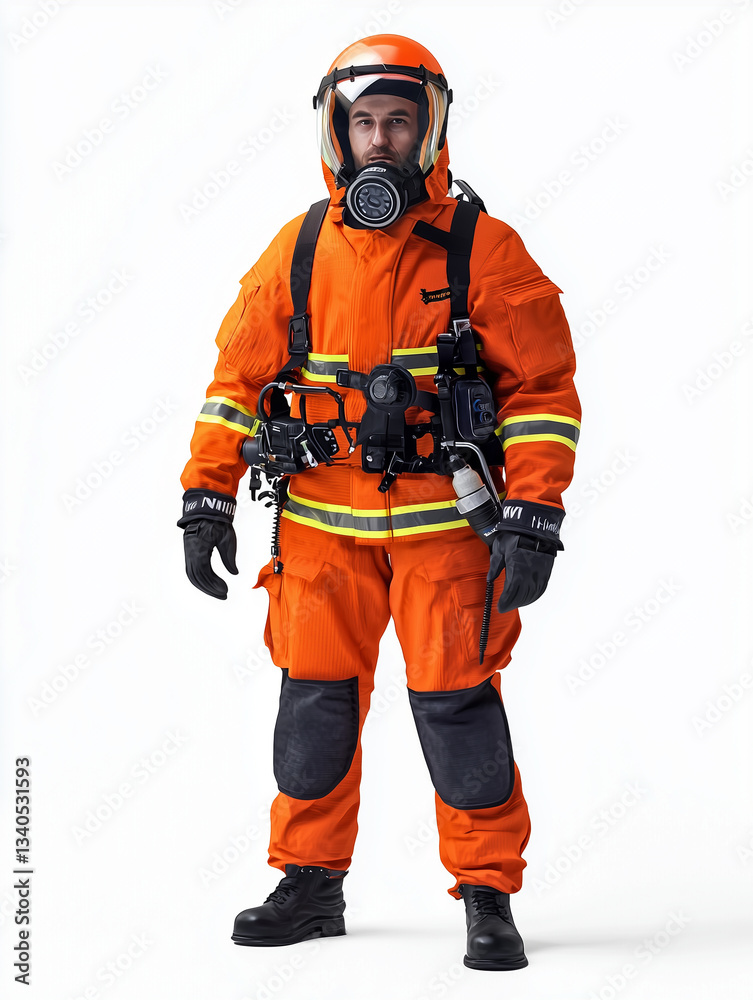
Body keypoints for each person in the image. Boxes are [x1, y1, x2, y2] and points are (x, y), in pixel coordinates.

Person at [178, 34, 581, 972]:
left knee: (458, 712)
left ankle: (487, 895)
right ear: (337, 132)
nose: (380, 139)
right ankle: (309, 883)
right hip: (319, 535)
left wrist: (533, 515)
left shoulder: (485, 247)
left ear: (429, 129)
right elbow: (235, 380)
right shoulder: (302, 245)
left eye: (399, 120)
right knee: (312, 712)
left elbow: (543, 393)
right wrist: (205, 494)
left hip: (447, 534)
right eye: (363, 122)